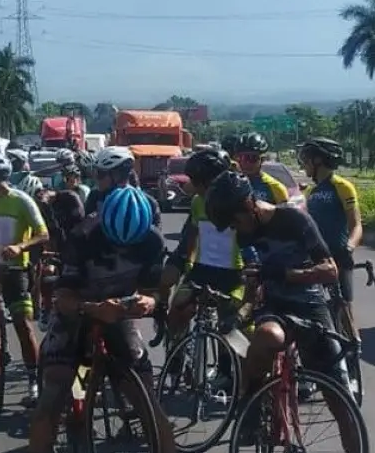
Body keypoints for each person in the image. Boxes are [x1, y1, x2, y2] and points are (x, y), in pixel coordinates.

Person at [205, 171, 375, 453]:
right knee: (266, 337)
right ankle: (250, 406)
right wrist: (240, 311)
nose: (237, 228)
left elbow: (330, 270)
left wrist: (287, 275)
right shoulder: (244, 232)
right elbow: (257, 283)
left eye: (237, 219)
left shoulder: (293, 220)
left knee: (342, 403)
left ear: (250, 205)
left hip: (312, 306)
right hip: (275, 308)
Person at [24, 185, 194, 453]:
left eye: (128, 244)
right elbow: (63, 300)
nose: (121, 248)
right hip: (77, 313)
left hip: (117, 315)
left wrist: (149, 302)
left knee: (148, 402)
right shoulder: (82, 236)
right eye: (115, 241)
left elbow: (152, 291)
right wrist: (92, 308)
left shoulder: (152, 242)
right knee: (54, 395)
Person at [0, 153, 49, 404]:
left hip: (17, 271)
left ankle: (33, 380)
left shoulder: (22, 201)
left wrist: (20, 246)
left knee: (22, 324)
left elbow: (43, 234)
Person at [160, 147, 243, 339]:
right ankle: (177, 358)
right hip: (203, 269)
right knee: (177, 311)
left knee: (230, 330)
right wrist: (187, 263)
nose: (192, 186)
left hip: (233, 273)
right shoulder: (198, 201)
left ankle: (225, 366)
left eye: (196, 182)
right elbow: (193, 235)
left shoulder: (239, 203)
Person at [298, 137, 364, 340]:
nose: (304, 165)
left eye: (307, 160)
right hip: (316, 258)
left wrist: (350, 247)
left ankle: (353, 347)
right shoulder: (311, 191)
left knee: (344, 306)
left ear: (318, 161)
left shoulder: (342, 186)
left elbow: (356, 225)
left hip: (339, 255)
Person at [83, 146, 162, 227]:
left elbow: (156, 236)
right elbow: (79, 233)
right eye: (96, 172)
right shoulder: (95, 196)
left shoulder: (148, 203)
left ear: (117, 176)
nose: (96, 178)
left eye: (100, 174)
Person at [232, 132, 288, 204]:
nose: (247, 163)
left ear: (262, 160)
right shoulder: (230, 184)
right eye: (242, 158)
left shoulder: (276, 188)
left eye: (252, 158)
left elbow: (286, 214)